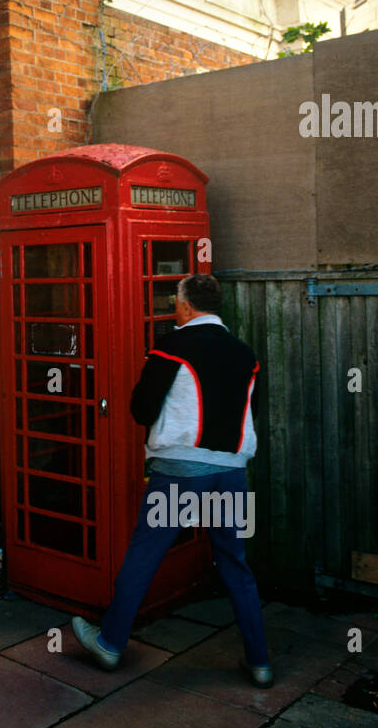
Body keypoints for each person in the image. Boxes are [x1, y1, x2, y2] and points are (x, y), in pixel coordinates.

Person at [72, 272, 273, 686]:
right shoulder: (244, 353)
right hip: (233, 472)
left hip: (179, 472)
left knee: (145, 554)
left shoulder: (171, 348)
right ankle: (260, 662)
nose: (172, 310)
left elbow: (142, 410)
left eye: (175, 303)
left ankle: (110, 644)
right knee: (236, 563)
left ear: (185, 306)